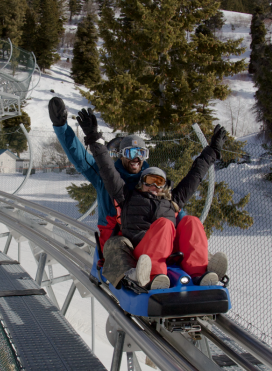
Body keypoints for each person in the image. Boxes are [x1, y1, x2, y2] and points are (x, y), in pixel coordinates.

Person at [76, 108, 229, 290]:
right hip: (141, 250)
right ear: (141, 182)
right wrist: (93, 138)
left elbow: (194, 177)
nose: (154, 186)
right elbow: (108, 170)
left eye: (159, 182)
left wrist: (213, 151)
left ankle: (199, 273)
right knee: (164, 225)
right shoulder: (127, 197)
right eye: (150, 180)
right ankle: (155, 277)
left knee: (192, 221)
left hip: (169, 250)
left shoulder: (171, 202)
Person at [48, 96, 146, 248]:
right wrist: (61, 127)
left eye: (140, 153)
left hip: (144, 240)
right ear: (121, 155)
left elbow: (170, 206)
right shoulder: (106, 175)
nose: (136, 158)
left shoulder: (151, 180)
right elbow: (81, 159)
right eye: (130, 153)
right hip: (112, 240)